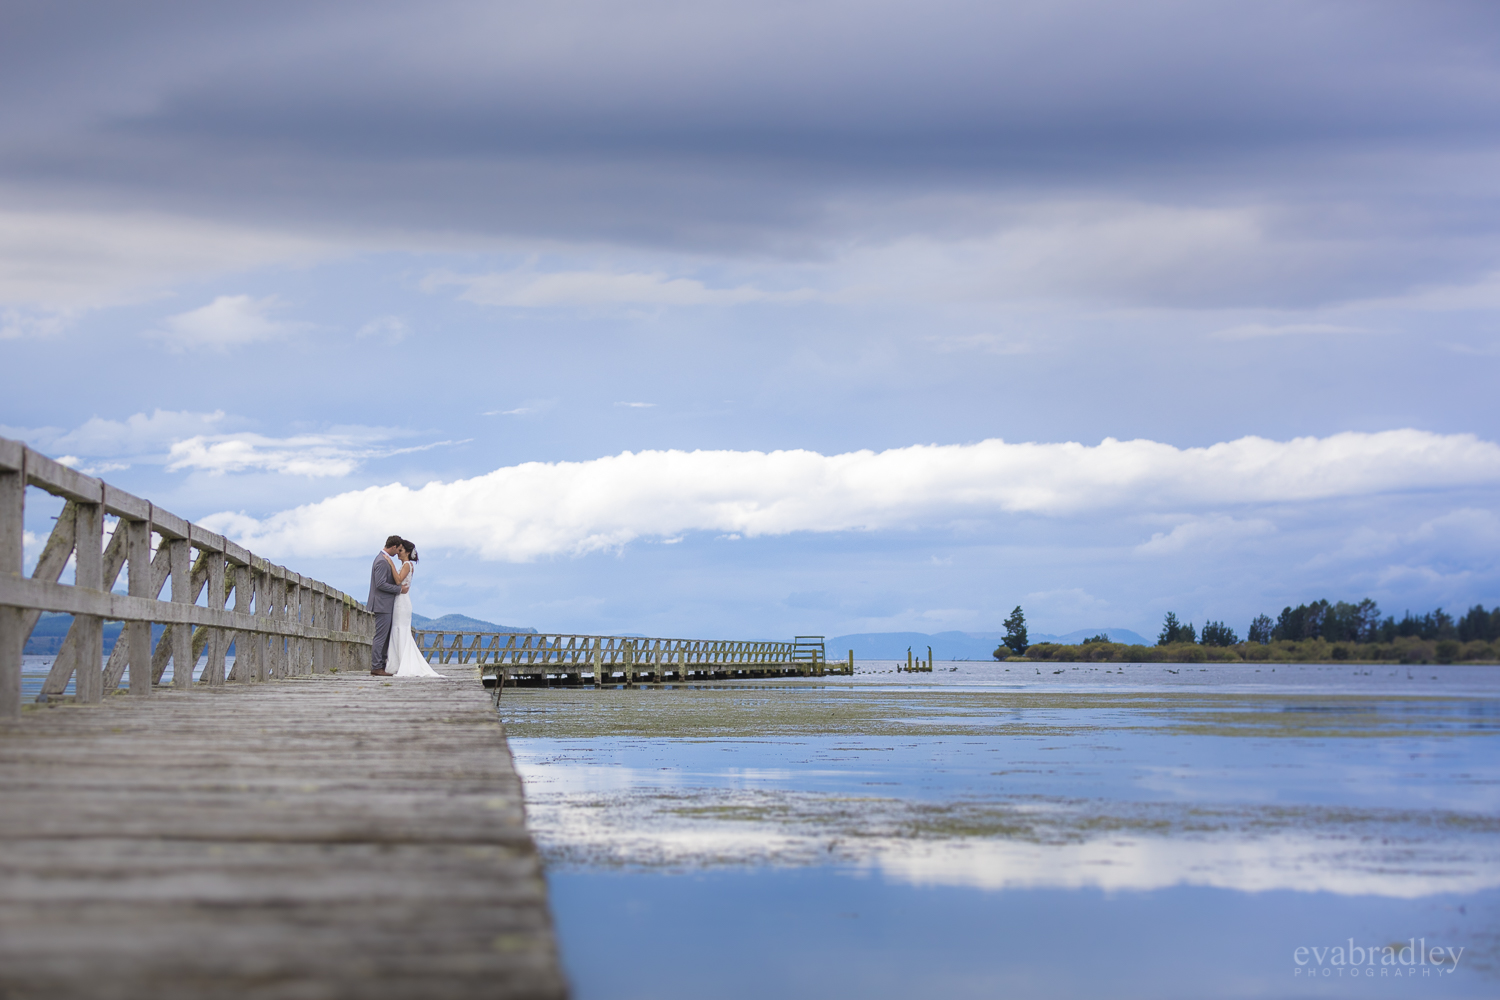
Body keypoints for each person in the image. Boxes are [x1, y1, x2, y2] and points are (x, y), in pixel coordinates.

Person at [385, 539, 442, 678]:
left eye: (401, 550)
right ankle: (398, 663)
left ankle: (402, 664)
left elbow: (398, 580)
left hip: (402, 602)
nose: (398, 553)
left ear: (408, 552)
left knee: (401, 630)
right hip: (400, 600)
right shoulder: (406, 564)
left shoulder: (407, 565)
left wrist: (390, 563)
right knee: (398, 630)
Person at [368, 535, 408, 676]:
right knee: (380, 637)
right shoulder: (382, 561)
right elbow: (380, 584)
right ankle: (376, 666)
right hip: (382, 604)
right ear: (393, 547)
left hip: (384, 604)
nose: (398, 553)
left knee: (384, 636)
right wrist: (399, 590)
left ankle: (381, 665)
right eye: (397, 550)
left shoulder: (384, 560)